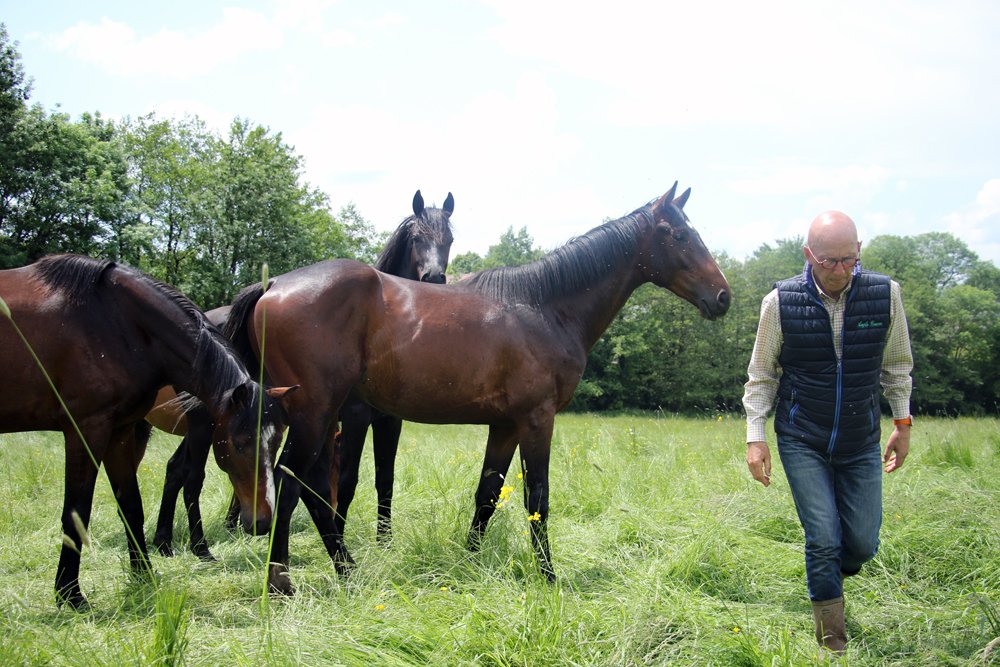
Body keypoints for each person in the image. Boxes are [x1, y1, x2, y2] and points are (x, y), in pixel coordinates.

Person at [742, 210, 913, 655]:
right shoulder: (779, 303)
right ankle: (831, 642)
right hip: (802, 437)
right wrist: (756, 436)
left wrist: (903, 423)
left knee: (862, 542)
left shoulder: (885, 295)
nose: (840, 271)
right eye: (829, 261)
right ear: (808, 255)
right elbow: (761, 375)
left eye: (848, 260)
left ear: (858, 251)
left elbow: (897, 366)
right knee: (822, 536)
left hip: (860, 438)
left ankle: (831, 573)